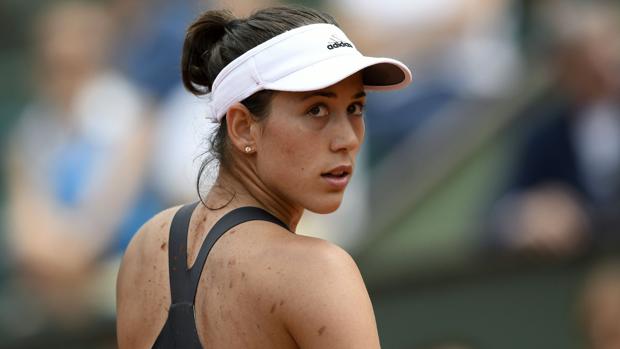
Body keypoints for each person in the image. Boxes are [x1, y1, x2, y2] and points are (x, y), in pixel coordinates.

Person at [116, 5, 411, 349]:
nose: (347, 139)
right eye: (316, 109)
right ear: (243, 128)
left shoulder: (145, 247)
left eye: (355, 108)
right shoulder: (319, 272)